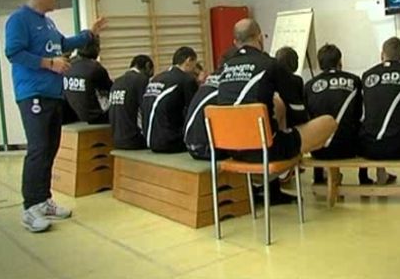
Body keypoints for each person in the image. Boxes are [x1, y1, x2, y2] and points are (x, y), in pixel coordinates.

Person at [5, 0, 106, 232]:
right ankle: (30, 208)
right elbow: (14, 53)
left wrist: (89, 34)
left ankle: (43, 200)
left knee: (50, 148)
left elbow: (63, 44)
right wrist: (50, 64)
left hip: (52, 94)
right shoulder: (19, 19)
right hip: (32, 93)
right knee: (38, 149)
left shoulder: (47, 22)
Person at [217, 18, 337, 163]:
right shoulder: (270, 65)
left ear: (235, 43)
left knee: (277, 105)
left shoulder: (224, 69)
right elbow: (297, 110)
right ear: (260, 38)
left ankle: (264, 176)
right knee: (328, 122)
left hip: (232, 148)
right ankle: (285, 168)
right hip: (265, 148)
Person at [304, 44, 368, 184]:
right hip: (349, 147)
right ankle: (363, 179)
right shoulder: (355, 81)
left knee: (316, 124)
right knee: (360, 126)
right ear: (340, 62)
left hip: (319, 150)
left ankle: (319, 178)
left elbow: (308, 117)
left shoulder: (309, 86)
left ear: (320, 65)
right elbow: (358, 114)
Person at [359, 37, 400, 184]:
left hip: (368, 147)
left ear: (382, 55)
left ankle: (378, 174)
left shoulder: (366, 75)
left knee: (374, 118)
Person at [141, 47, 199, 153]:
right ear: (188, 60)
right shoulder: (186, 80)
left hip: (148, 140)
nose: (194, 69)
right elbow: (194, 111)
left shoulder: (156, 78)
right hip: (169, 142)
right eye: (194, 64)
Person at [63, 36, 112, 124]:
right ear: (95, 49)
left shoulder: (68, 65)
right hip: (94, 117)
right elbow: (111, 90)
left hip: (71, 117)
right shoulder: (95, 68)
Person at [109, 55, 154, 149]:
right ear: (147, 65)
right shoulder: (141, 80)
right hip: (134, 139)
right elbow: (146, 109)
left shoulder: (117, 81)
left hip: (116, 139)